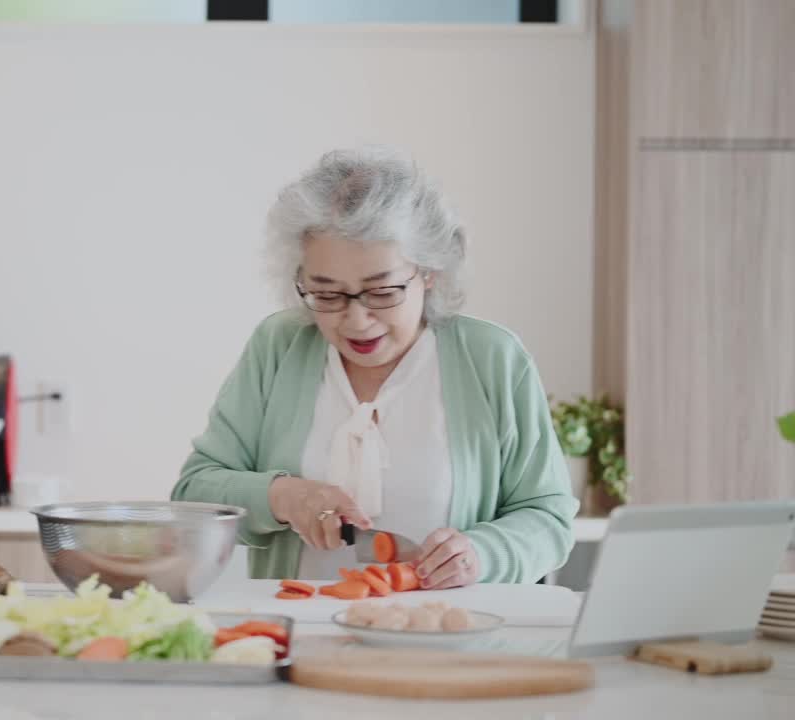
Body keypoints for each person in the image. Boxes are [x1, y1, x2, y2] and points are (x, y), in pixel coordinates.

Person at [173, 146, 577, 588]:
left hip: (445, 640)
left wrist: (481, 554)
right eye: (327, 294)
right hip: (298, 632)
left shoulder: (493, 358)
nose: (356, 320)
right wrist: (283, 497)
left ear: (429, 272)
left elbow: (548, 517)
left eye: (382, 291)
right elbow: (194, 494)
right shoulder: (278, 347)